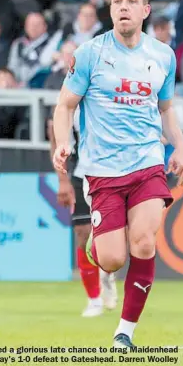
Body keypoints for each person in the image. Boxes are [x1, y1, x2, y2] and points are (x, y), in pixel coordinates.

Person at [52, 0, 183, 348]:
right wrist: (62, 141)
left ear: (145, 10)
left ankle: (124, 334)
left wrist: (180, 147)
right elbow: (64, 106)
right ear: (110, 9)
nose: (123, 7)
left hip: (147, 163)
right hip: (101, 170)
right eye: (117, 2)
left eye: (131, 1)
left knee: (144, 243)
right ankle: (99, 243)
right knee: (111, 259)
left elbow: (166, 109)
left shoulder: (162, 55)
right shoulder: (89, 54)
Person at [49, 107, 118, 317]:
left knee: (112, 237)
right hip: (83, 174)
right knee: (82, 234)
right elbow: (55, 135)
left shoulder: (112, 95)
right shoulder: (72, 100)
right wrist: (62, 180)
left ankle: (107, 271)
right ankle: (94, 299)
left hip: (115, 172)